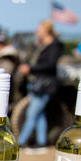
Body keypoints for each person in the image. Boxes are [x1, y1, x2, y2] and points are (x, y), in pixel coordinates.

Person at [17, 20, 63, 150]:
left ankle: (20, 142)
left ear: (46, 30)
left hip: (44, 86)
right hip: (37, 84)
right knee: (39, 114)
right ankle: (42, 142)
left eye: (39, 29)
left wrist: (30, 68)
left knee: (32, 113)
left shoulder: (54, 46)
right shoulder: (42, 45)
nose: (36, 31)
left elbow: (50, 65)